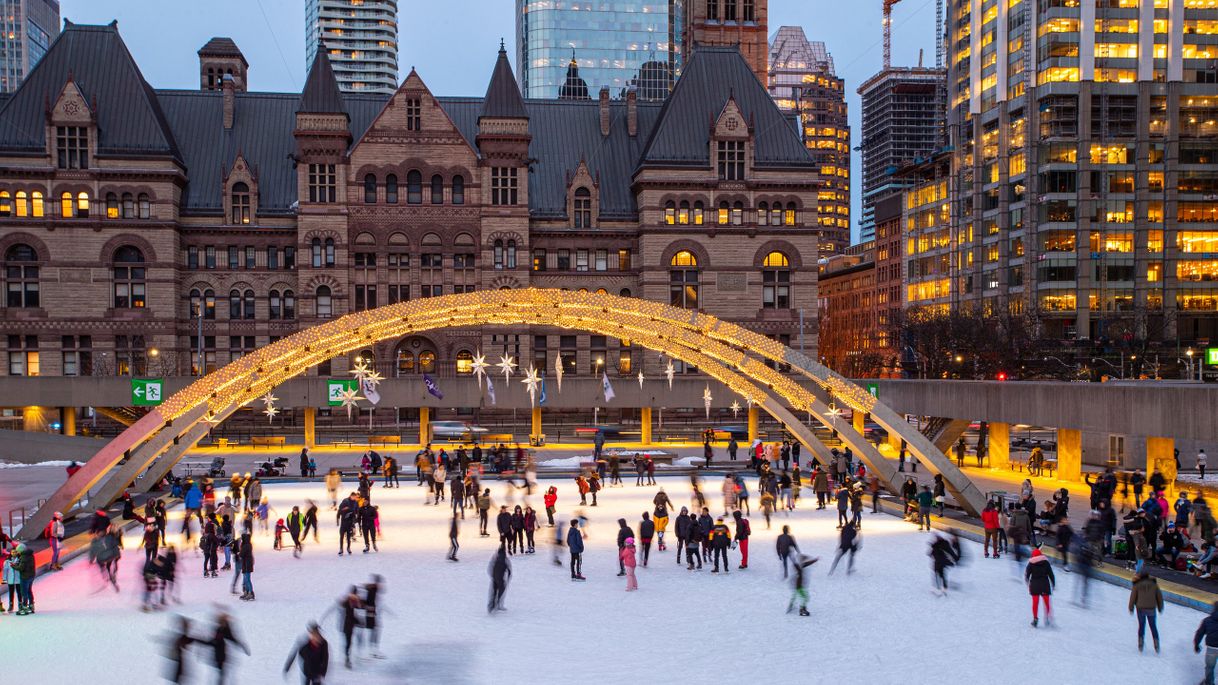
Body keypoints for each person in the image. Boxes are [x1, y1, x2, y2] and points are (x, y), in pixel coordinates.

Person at [209, 610, 250, 685]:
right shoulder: (218, 629)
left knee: (223, 674)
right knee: (222, 674)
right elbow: (212, 641)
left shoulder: (225, 630)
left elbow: (232, 638)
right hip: (218, 655)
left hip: (222, 655)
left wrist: (243, 646)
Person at [1128, 571, 1164, 653]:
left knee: (1141, 625)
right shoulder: (1154, 585)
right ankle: (1156, 644)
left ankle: (1140, 643)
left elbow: (1133, 597)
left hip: (1140, 608)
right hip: (1151, 608)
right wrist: (1160, 607)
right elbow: (1159, 597)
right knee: (1153, 626)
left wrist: (1131, 607)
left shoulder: (1137, 585)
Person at [1025, 548, 1056, 627]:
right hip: (1045, 584)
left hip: (1035, 585)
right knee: (1047, 603)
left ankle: (1035, 619)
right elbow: (1051, 574)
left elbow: (1027, 575)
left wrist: (1027, 582)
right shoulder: (1046, 563)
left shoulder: (1031, 563)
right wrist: (1053, 583)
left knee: (1035, 603)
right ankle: (1047, 617)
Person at [1195, 601, 1218, 684]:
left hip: (1211, 648)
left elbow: (1199, 634)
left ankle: (1209, 683)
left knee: (1210, 667)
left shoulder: (1207, 620)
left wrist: (1196, 645)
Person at [488, 544, 512, 613]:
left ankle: (491, 606)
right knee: (501, 591)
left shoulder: (495, 557)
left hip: (494, 578)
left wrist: (492, 576)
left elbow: (490, 567)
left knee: (493, 592)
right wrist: (508, 579)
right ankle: (499, 604)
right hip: (501, 579)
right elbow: (509, 570)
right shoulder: (506, 559)